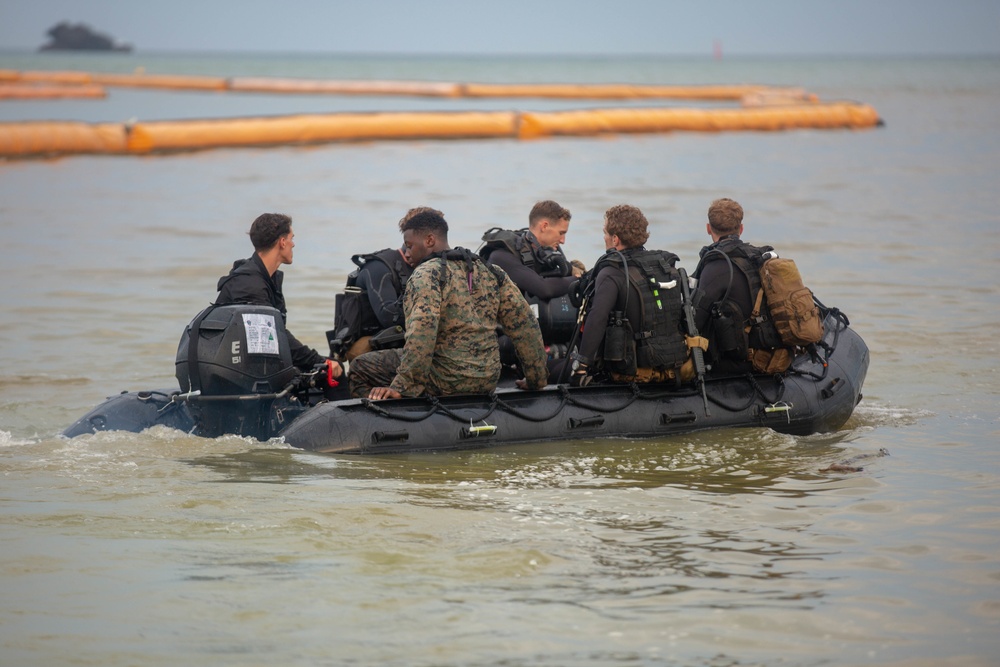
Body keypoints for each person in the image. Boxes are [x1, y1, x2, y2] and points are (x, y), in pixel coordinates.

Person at [349, 209, 549, 400]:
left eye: (409, 246)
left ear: (429, 240)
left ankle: (388, 422)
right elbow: (526, 325)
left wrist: (403, 387)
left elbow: (422, 333)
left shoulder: (426, 274)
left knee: (360, 367)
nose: (407, 254)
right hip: (487, 379)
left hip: (445, 379)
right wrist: (536, 379)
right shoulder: (491, 271)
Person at [563, 204, 696, 385]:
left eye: (605, 233)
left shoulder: (611, 271)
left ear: (615, 239)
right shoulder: (665, 266)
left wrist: (580, 368)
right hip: (673, 368)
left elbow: (597, 318)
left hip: (632, 373)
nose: (604, 238)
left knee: (556, 368)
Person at [215, 212, 343, 380]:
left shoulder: (266, 278)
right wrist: (319, 362)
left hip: (257, 361)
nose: (293, 244)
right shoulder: (249, 285)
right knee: (333, 370)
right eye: (292, 238)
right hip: (237, 372)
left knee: (327, 367)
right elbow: (275, 335)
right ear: (282, 242)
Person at [330, 207, 441, 361]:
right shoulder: (380, 267)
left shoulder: (431, 265)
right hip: (371, 343)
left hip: (410, 338)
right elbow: (388, 317)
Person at [690, 198, 783, 375]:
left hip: (739, 363)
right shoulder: (760, 258)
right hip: (774, 353)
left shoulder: (714, 268)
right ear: (741, 229)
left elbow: (695, 322)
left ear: (708, 228)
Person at [479, 199, 585, 300]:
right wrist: (580, 280)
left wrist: (573, 270)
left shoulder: (542, 255)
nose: (563, 241)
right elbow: (544, 289)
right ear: (544, 226)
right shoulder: (503, 256)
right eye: (561, 233)